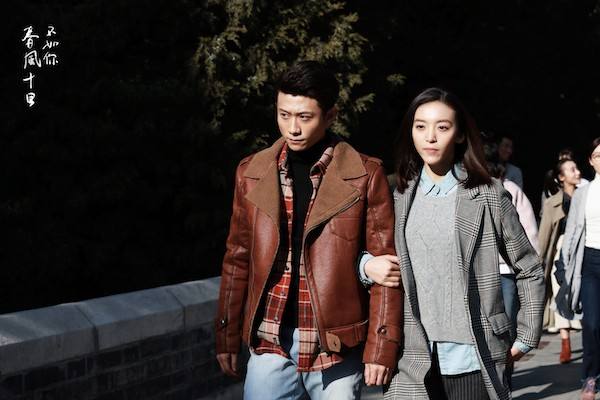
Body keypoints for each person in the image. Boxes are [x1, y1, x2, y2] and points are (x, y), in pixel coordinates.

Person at [214, 60, 403, 399]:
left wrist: (380, 347)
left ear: (330, 116)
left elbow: (386, 271)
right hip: (270, 339)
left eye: (304, 117)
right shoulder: (251, 172)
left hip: (336, 344)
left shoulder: (364, 175)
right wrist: (226, 335)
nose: (293, 128)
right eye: (284, 115)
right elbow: (237, 259)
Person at [360, 88, 545, 400]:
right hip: (411, 358)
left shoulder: (488, 194)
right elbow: (363, 253)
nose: (430, 137)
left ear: (459, 135)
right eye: (420, 126)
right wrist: (366, 266)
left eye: (442, 127)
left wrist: (526, 334)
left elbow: (529, 267)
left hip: (474, 355)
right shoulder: (396, 195)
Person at [554, 136, 600, 399]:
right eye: (598, 155)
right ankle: (590, 377)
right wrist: (563, 265)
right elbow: (571, 231)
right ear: (591, 161)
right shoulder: (583, 192)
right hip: (590, 262)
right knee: (591, 323)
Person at [484, 141, 540, 341]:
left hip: (506, 269)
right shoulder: (464, 192)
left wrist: (530, 265)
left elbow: (528, 229)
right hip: (478, 269)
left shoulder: (509, 188)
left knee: (507, 321)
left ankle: (506, 358)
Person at [538, 157, 582, 363]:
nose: (577, 172)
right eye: (571, 169)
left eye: (576, 168)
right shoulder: (552, 203)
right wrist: (539, 261)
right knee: (560, 293)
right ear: (561, 177)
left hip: (583, 249)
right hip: (560, 253)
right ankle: (566, 343)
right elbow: (544, 235)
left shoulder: (586, 196)